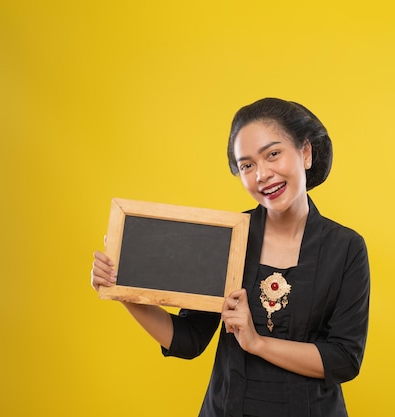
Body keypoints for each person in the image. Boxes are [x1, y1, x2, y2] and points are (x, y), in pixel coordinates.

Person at [91, 97, 370, 417]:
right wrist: (123, 288)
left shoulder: (346, 248)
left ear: (305, 153)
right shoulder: (227, 236)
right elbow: (188, 340)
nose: (262, 174)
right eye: (247, 165)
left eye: (273, 154)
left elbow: (344, 359)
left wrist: (257, 342)